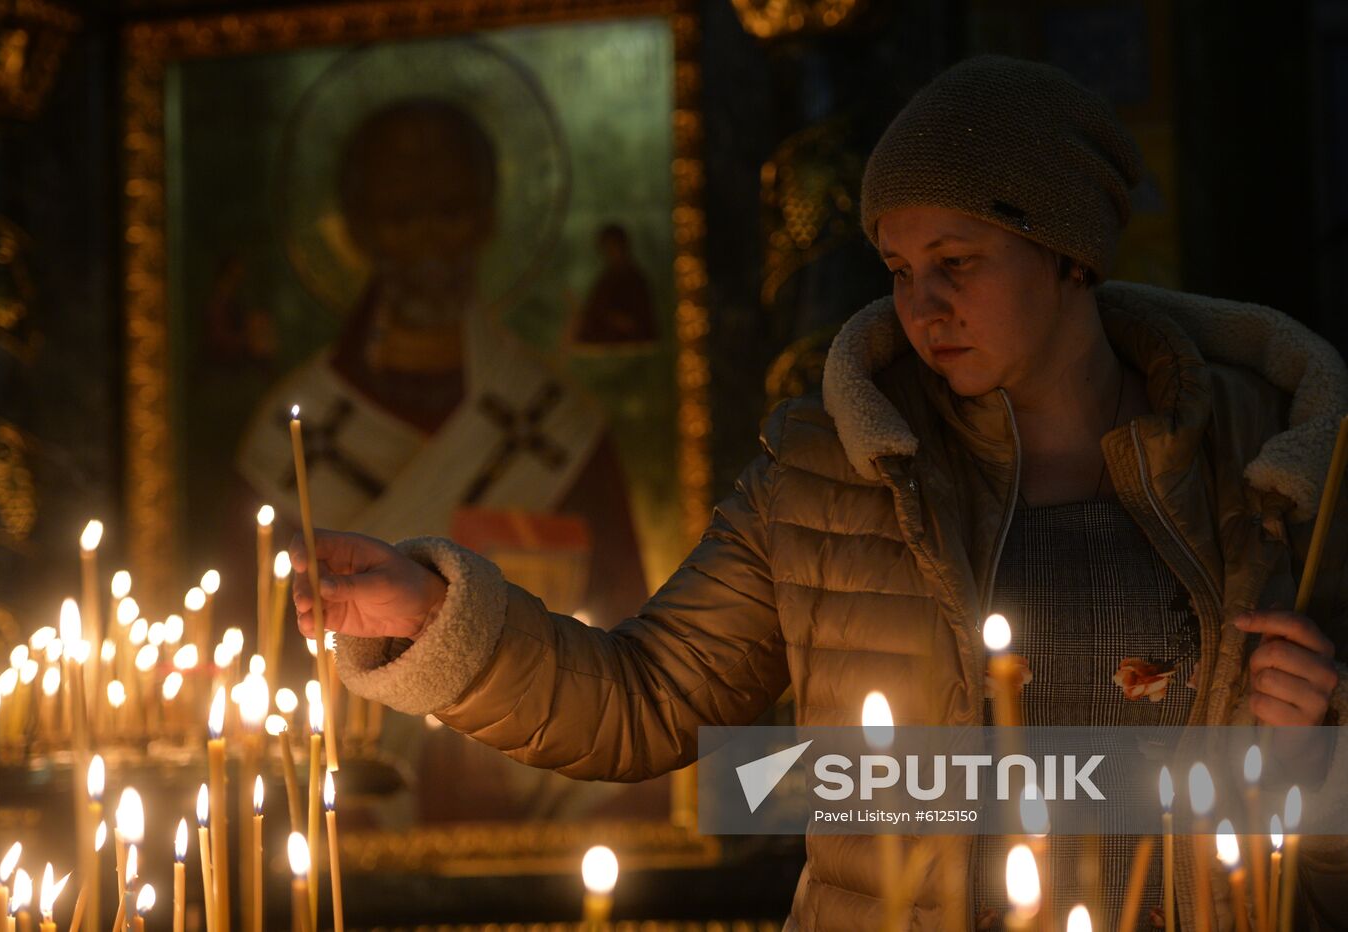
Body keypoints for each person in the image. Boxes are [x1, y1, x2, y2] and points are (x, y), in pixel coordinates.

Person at [288, 55, 1348, 930]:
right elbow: (647, 700)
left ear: (1066, 253)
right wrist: (429, 616)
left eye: (956, 259)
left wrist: (1325, 738)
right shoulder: (832, 472)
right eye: (895, 265)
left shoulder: (1267, 465)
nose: (921, 302)